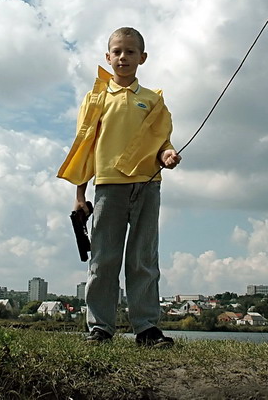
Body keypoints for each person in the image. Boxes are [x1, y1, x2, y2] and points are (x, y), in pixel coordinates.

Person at [57, 26, 181, 347]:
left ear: (143, 57)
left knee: (142, 258)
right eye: (117, 51)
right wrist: (79, 195)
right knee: (103, 258)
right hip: (107, 186)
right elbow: (84, 146)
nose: (123, 57)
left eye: (130, 51)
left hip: (147, 184)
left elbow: (162, 141)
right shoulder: (95, 97)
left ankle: (146, 328)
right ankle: (100, 328)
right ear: (107, 57)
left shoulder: (154, 100)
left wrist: (167, 154)